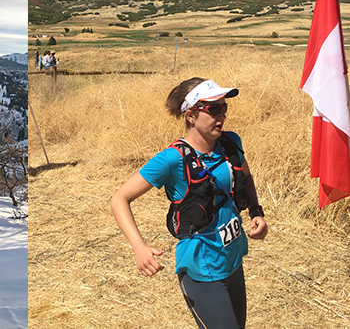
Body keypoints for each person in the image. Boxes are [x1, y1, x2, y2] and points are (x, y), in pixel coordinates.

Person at [110, 77, 267, 329]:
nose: (222, 116)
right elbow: (119, 199)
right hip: (200, 270)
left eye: (224, 107)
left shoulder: (230, 142)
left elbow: (245, 177)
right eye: (214, 109)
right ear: (191, 116)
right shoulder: (171, 159)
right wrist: (139, 247)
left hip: (232, 260)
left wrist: (256, 212)